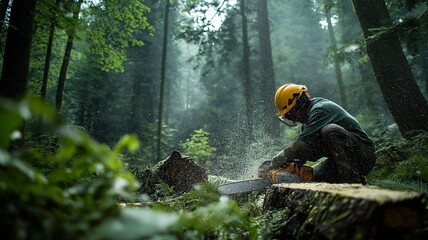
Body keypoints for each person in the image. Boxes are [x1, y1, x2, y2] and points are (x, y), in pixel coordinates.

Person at [258, 83, 376, 184]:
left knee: (330, 130)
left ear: (299, 105)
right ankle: (348, 181)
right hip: (338, 160)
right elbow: (307, 151)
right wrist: (292, 165)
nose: (294, 120)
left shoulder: (320, 110)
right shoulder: (308, 123)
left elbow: (300, 146)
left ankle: (352, 184)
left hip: (363, 156)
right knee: (310, 175)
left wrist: (274, 162)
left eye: (290, 115)